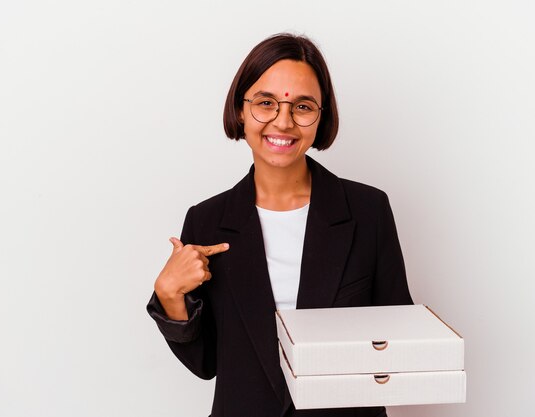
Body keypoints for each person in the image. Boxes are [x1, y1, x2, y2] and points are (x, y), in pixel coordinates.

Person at [147, 33, 413, 417]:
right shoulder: (206, 221)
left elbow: (397, 340)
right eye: (266, 103)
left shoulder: (368, 211)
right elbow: (206, 365)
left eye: (302, 106)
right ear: (241, 109)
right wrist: (170, 297)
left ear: (321, 117)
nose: (283, 121)